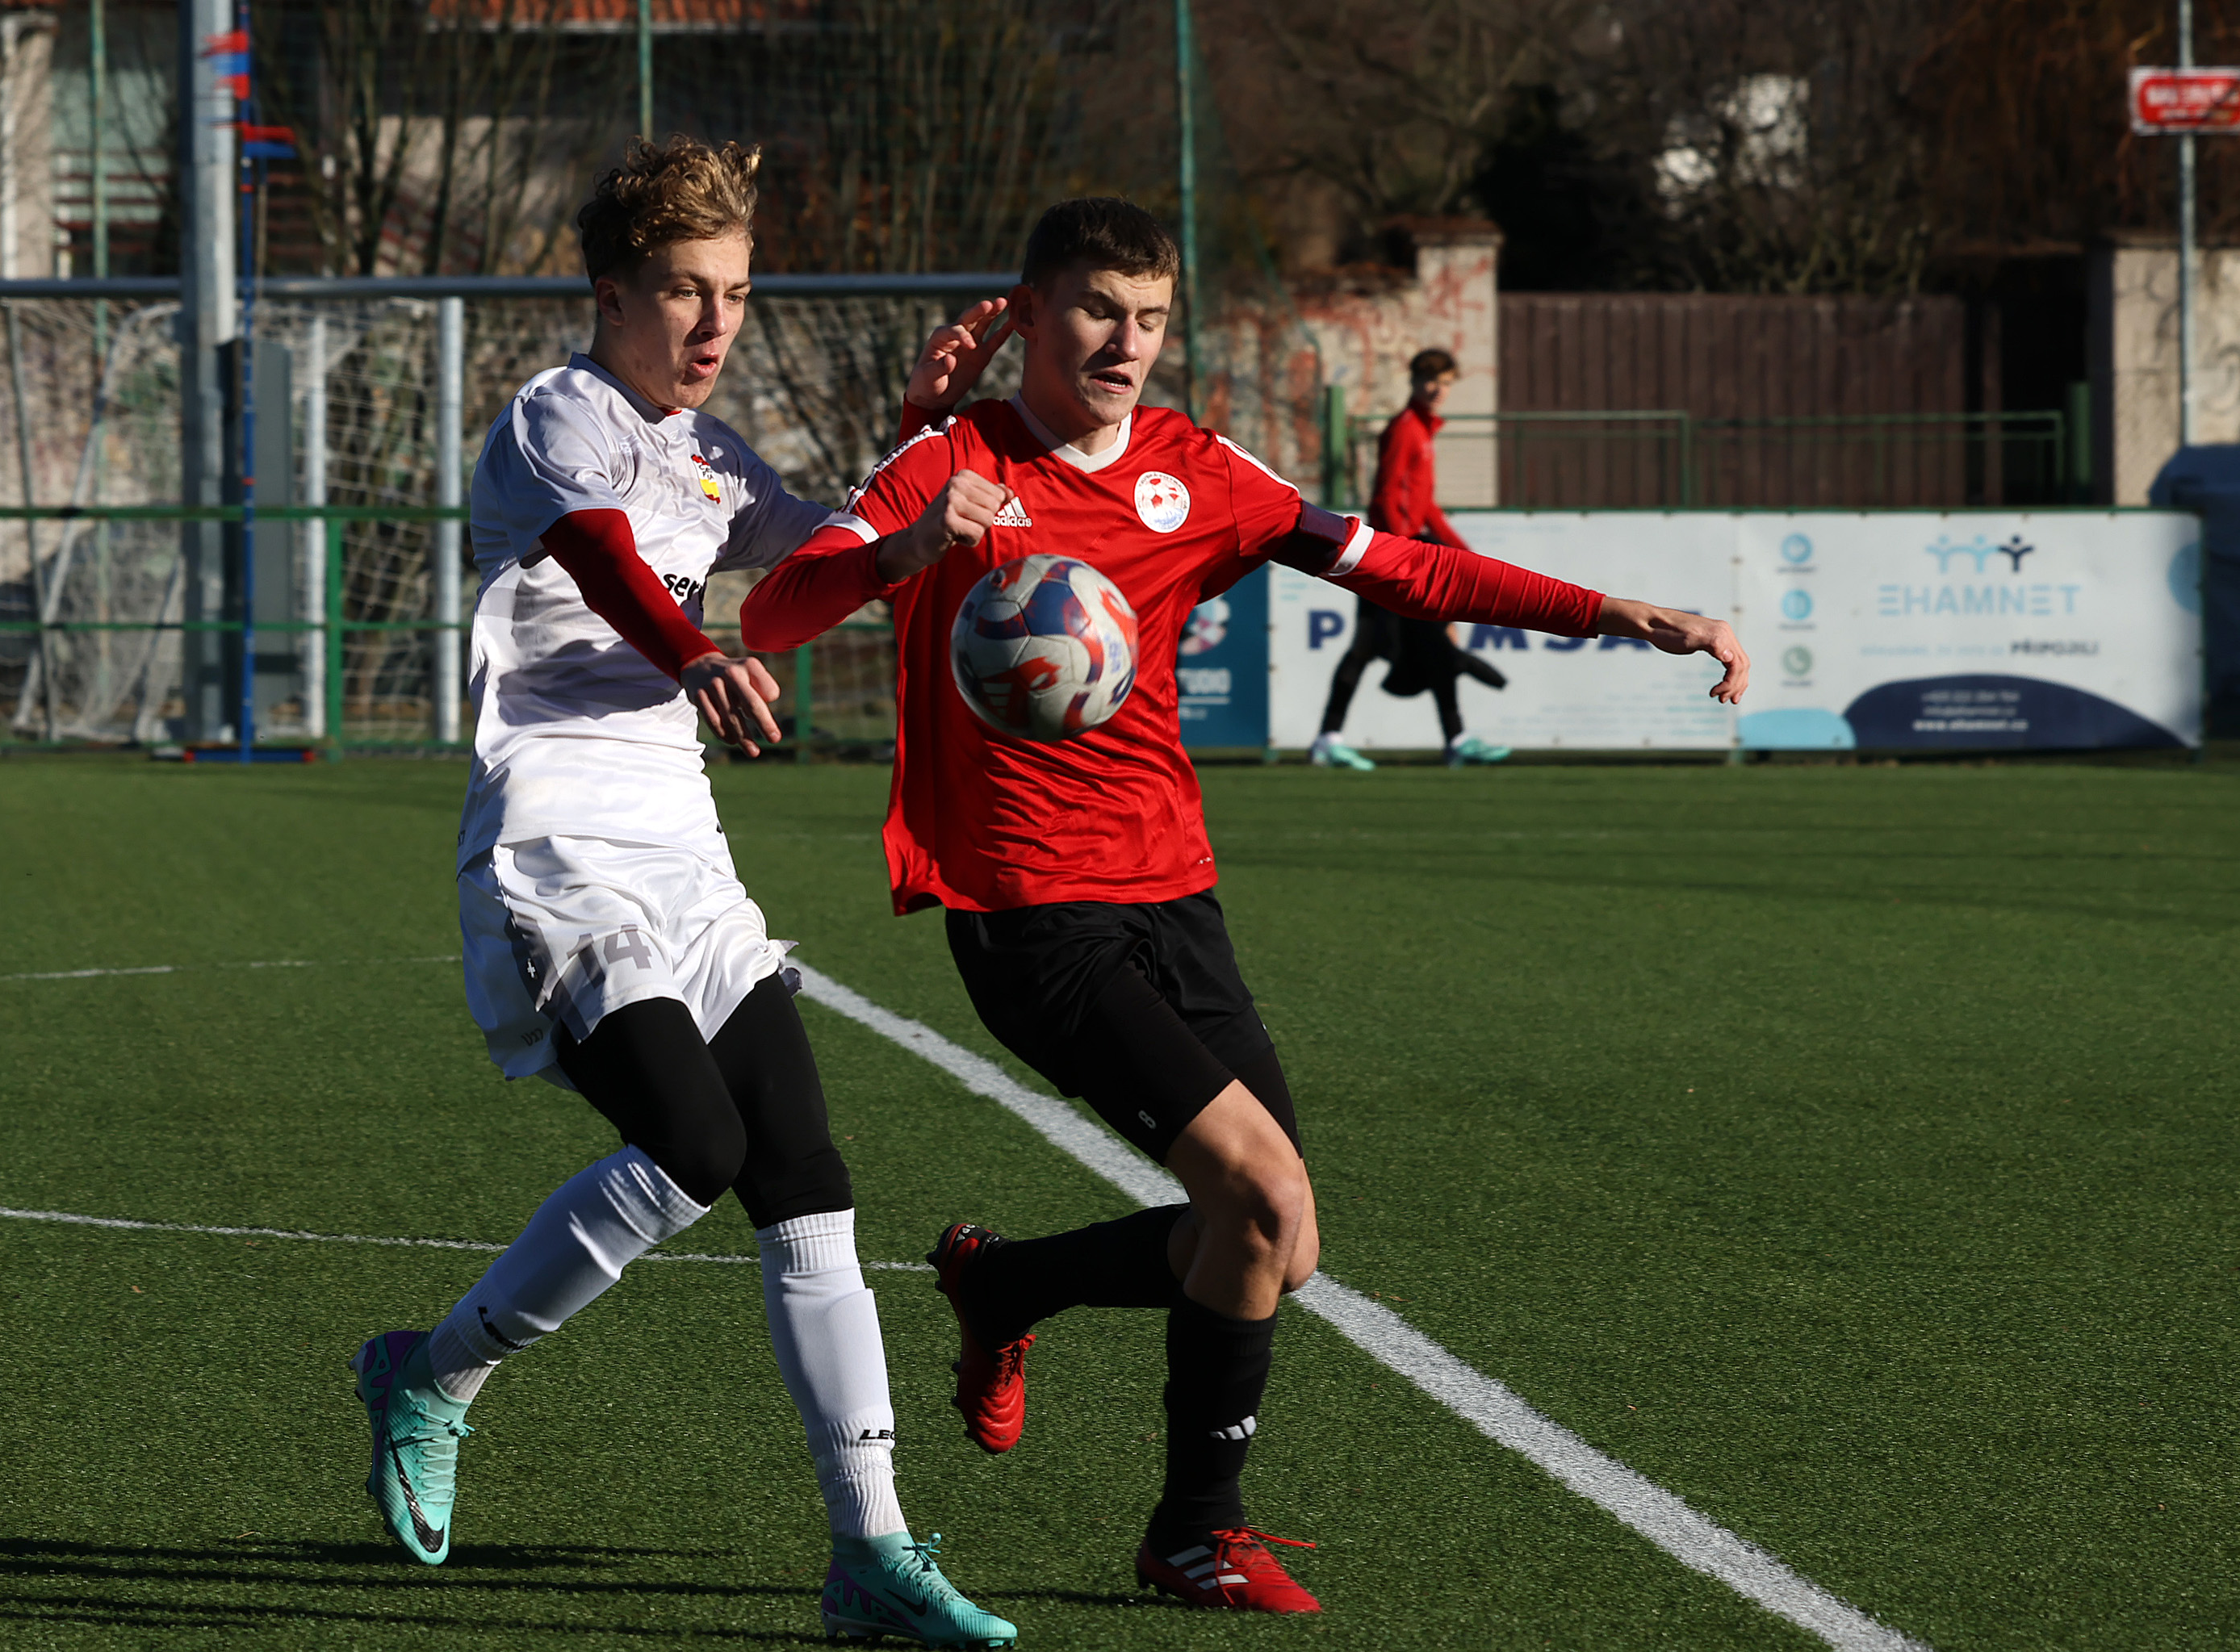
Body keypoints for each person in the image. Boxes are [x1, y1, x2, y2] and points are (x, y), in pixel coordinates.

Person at [739, 197, 1748, 1616]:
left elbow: (1399, 562)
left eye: (1150, 318)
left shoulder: (1195, 469)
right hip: (1030, 908)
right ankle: (1192, 1534)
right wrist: (899, 552)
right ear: (1028, 314)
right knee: (1260, 1199)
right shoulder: (947, 459)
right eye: (1097, 309)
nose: (1125, 343)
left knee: (1281, 1241)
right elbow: (772, 613)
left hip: (1176, 891)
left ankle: (1010, 1285)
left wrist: (1613, 611)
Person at [345, 136, 1015, 1650]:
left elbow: (820, 561)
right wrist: (697, 648)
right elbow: (603, 563)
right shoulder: (554, 418)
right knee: (694, 1144)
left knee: (805, 1175)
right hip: (557, 846)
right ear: (611, 294)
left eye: (735, 294)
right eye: (683, 291)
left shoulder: (715, 457)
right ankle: (433, 1375)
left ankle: (870, 1550)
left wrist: (924, 462)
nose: (715, 323)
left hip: (687, 856)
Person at [1308, 347, 1516, 770]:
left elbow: (1425, 506)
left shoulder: (1422, 430)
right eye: (1431, 380)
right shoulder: (1405, 429)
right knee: (1406, 644)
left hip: (1396, 549)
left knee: (1384, 646)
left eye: (1446, 382)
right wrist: (1400, 552)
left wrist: (1461, 552)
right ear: (1415, 382)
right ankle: (1451, 740)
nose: (1438, 389)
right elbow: (1385, 495)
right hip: (1390, 554)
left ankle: (1334, 739)